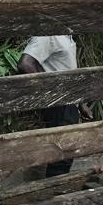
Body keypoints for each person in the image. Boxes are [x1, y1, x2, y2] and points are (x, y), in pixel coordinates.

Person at [16, 35, 80, 177]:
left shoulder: (66, 36)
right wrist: (51, 93)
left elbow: (66, 70)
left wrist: (80, 104)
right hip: (58, 104)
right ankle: (55, 191)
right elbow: (25, 64)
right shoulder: (49, 36)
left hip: (70, 102)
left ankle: (57, 189)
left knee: (66, 150)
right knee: (62, 152)